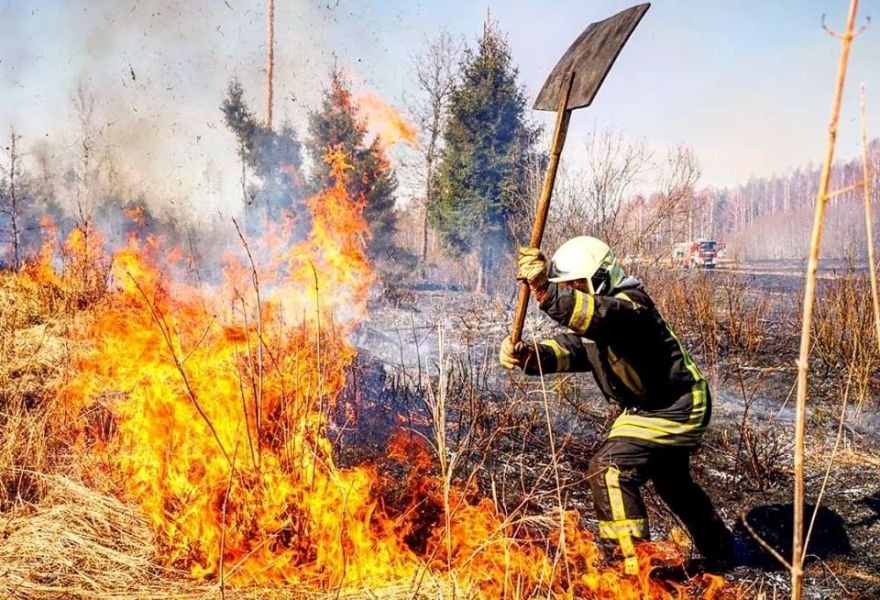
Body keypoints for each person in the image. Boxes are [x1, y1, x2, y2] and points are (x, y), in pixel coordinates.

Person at [499, 236, 734, 576]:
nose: (574, 292)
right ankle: (721, 548)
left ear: (601, 278)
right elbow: (577, 349)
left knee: (609, 469)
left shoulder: (629, 306)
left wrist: (545, 291)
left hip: (679, 405)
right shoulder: (600, 319)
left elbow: (598, 317)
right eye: (568, 287)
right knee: (672, 482)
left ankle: (634, 571)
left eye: (578, 285)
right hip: (646, 408)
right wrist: (530, 355)